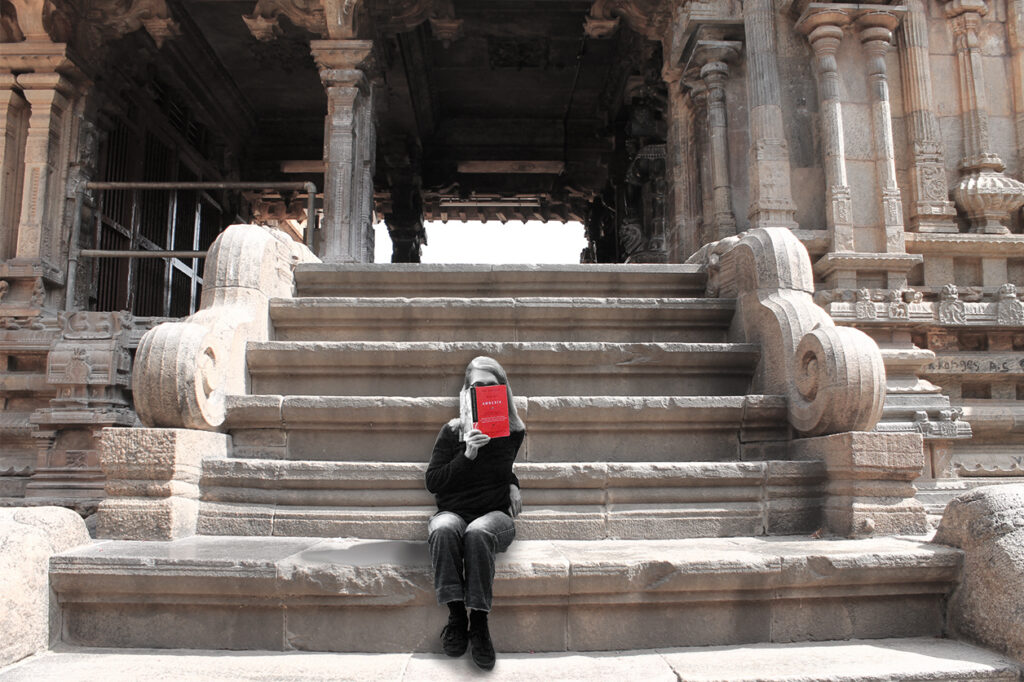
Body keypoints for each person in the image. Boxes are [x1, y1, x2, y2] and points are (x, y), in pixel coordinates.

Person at [425, 356, 526, 670]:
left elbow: (500, 470)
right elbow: (433, 482)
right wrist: (467, 454)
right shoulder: (452, 431)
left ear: (501, 390)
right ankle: (457, 617)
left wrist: (512, 483)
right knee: (442, 528)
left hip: (494, 516)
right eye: (476, 386)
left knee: (478, 532)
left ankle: (479, 623)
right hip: (454, 512)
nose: (483, 391)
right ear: (467, 392)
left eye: (489, 386)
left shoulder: (513, 432)